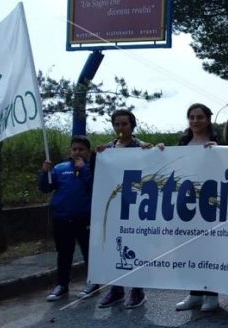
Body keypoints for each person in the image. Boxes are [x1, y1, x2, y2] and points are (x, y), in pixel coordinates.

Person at [158, 103, 222, 312]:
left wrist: (219, 152)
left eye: (200, 117)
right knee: (188, 250)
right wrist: (159, 151)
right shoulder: (184, 142)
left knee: (209, 251)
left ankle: (212, 295)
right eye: (192, 117)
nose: (195, 121)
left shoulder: (218, 142)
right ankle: (194, 294)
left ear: (208, 119)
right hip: (185, 204)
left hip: (209, 205)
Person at [97, 109, 153, 309]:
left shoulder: (141, 147)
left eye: (125, 124)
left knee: (135, 246)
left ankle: (138, 290)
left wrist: (153, 152)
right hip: (113, 207)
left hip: (135, 205)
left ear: (132, 126)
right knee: (114, 248)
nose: (121, 128)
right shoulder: (108, 149)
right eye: (117, 124)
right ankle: (116, 289)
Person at [40, 135, 100, 301]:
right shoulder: (60, 168)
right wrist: (45, 173)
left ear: (88, 151)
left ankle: (93, 283)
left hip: (85, 218)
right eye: (74, 149)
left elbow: (96, 188)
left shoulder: (94, 168)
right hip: (61, 218)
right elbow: (45, 188)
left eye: (81, 149)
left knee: (89, 252)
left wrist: (84, 169)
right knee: (64, 253)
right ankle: (62, 285)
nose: (77, 152)